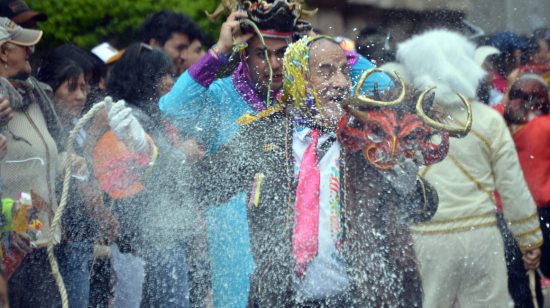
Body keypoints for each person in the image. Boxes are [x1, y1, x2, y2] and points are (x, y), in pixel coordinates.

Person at [159, 3, 392, 305]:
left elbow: (383, 89)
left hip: (315, 272)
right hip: (236, 259)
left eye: (282, 53)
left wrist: (322, 49)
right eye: (261, 54)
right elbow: (173, 109)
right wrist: (218, 50)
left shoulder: (315, 107)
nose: (274, 64)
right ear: (243, 54)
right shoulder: (221, 96)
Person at [397, 29, 543, 308]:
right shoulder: (488, 119)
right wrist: (530, 240)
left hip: (426, 242)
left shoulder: (401, 123)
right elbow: (513, 187)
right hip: (481, 238)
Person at [103, 43, 210, 308]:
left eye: (169, 73)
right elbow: (151, 169)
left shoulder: (152, 109)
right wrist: (182, 153)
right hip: (156, 231)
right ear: (142, 76)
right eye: (161, 74)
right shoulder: (130, 117)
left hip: (171, 228)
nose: (168, 80)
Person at [0, 17, 86, 307]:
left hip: (41, 239)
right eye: (24, 47)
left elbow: (39, 159)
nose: (31, 52)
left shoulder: (34, 97)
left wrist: (67, 160)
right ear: (2, 52)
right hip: (9, 250)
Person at [36, 53, 120, 308]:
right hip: (55, 242)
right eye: (71, 88)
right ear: (50, 94)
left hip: (79, 243)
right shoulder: (44, 137)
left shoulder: (70, 129)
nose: (81, 96)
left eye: (84, 88)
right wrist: (104, 216)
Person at [139, 9, 206, 78]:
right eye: (179, 48)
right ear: (154, 44)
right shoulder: (135, 82)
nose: (185, 57)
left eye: (186, 49)